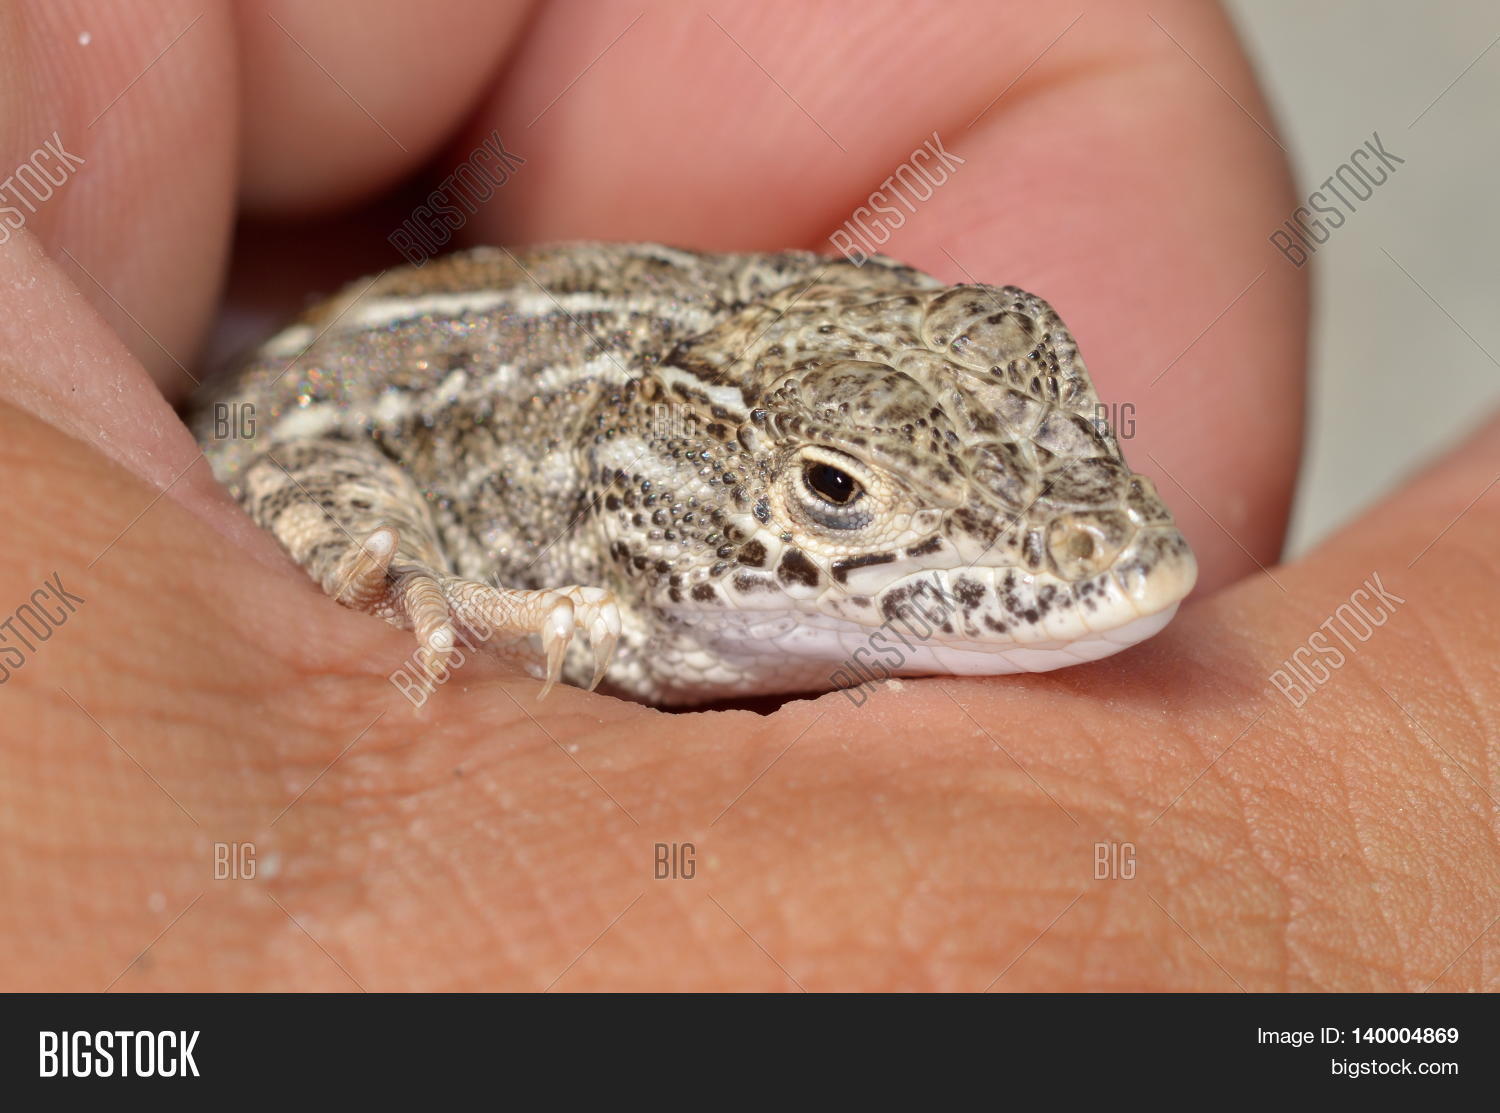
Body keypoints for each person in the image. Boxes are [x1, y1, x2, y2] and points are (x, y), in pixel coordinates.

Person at [1, 0, 1492, 990]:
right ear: (659, 507)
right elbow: (281, 431)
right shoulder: (539, 529)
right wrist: (375, 553)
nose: (1089, 538)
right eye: (836, 492)